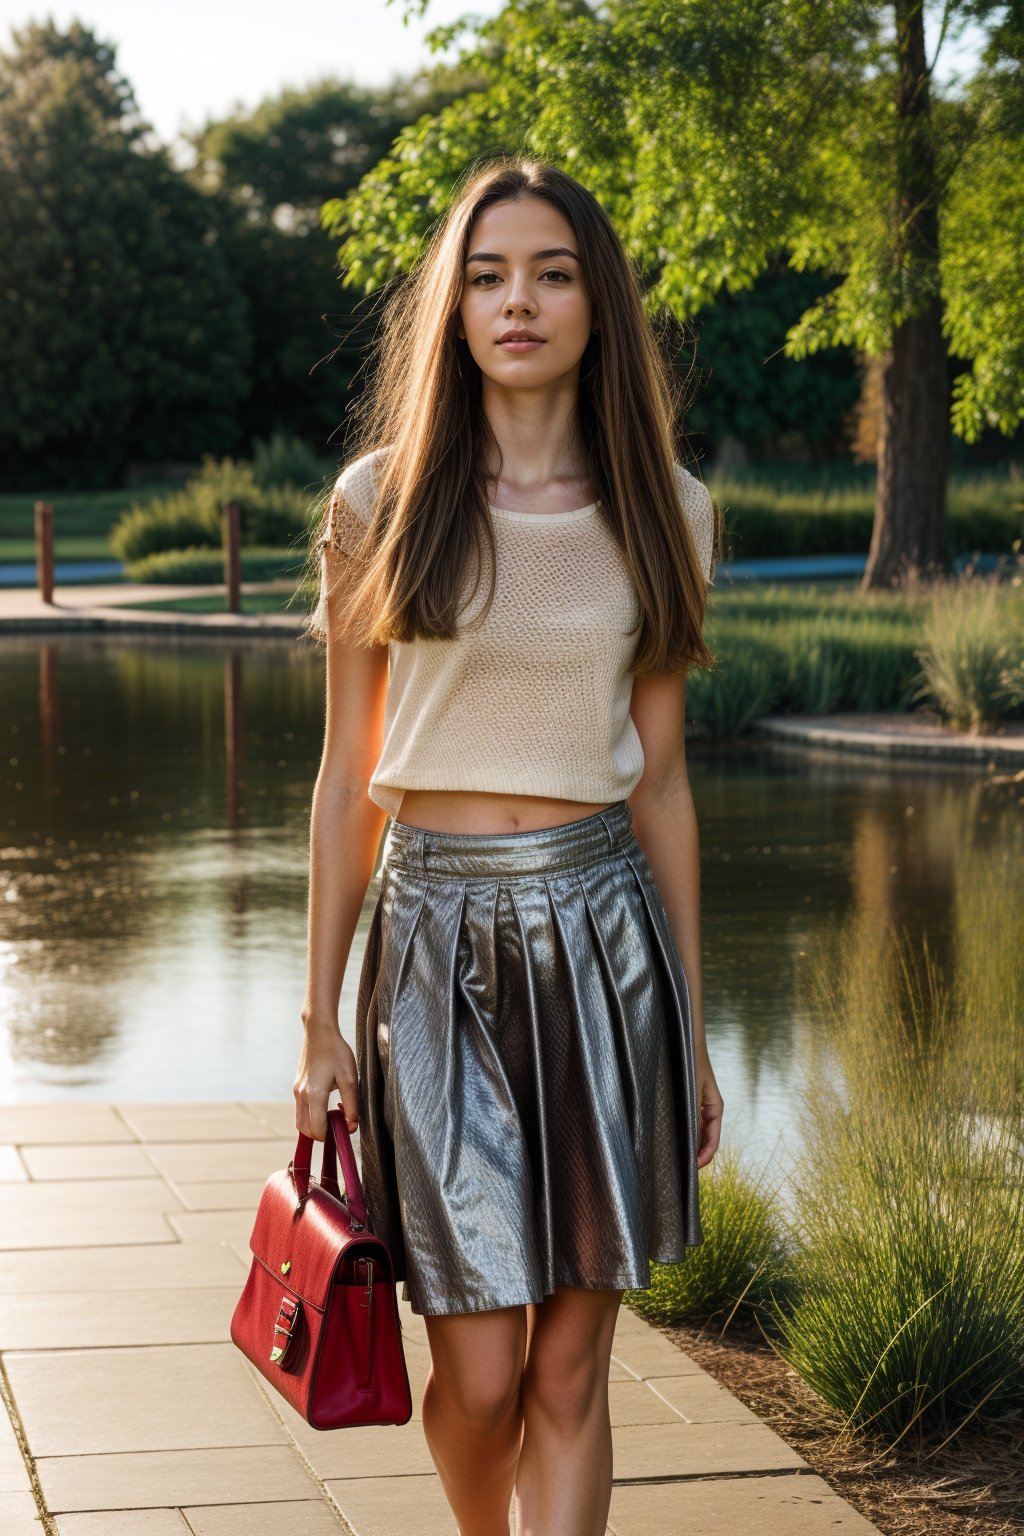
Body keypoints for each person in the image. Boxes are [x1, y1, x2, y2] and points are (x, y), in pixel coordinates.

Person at [294, 154, 725, 1536]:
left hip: (608, 947)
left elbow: (660, 783)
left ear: (597, 300)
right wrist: (319, 1022)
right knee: (475, 1378)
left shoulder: (671, 508)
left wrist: (696, 1033)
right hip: (428, 953)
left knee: (568, 1368)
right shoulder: (379, 501)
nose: (517, 302)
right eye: (486, 277)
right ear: (452, 308)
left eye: (550, 272)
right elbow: (347, 778)